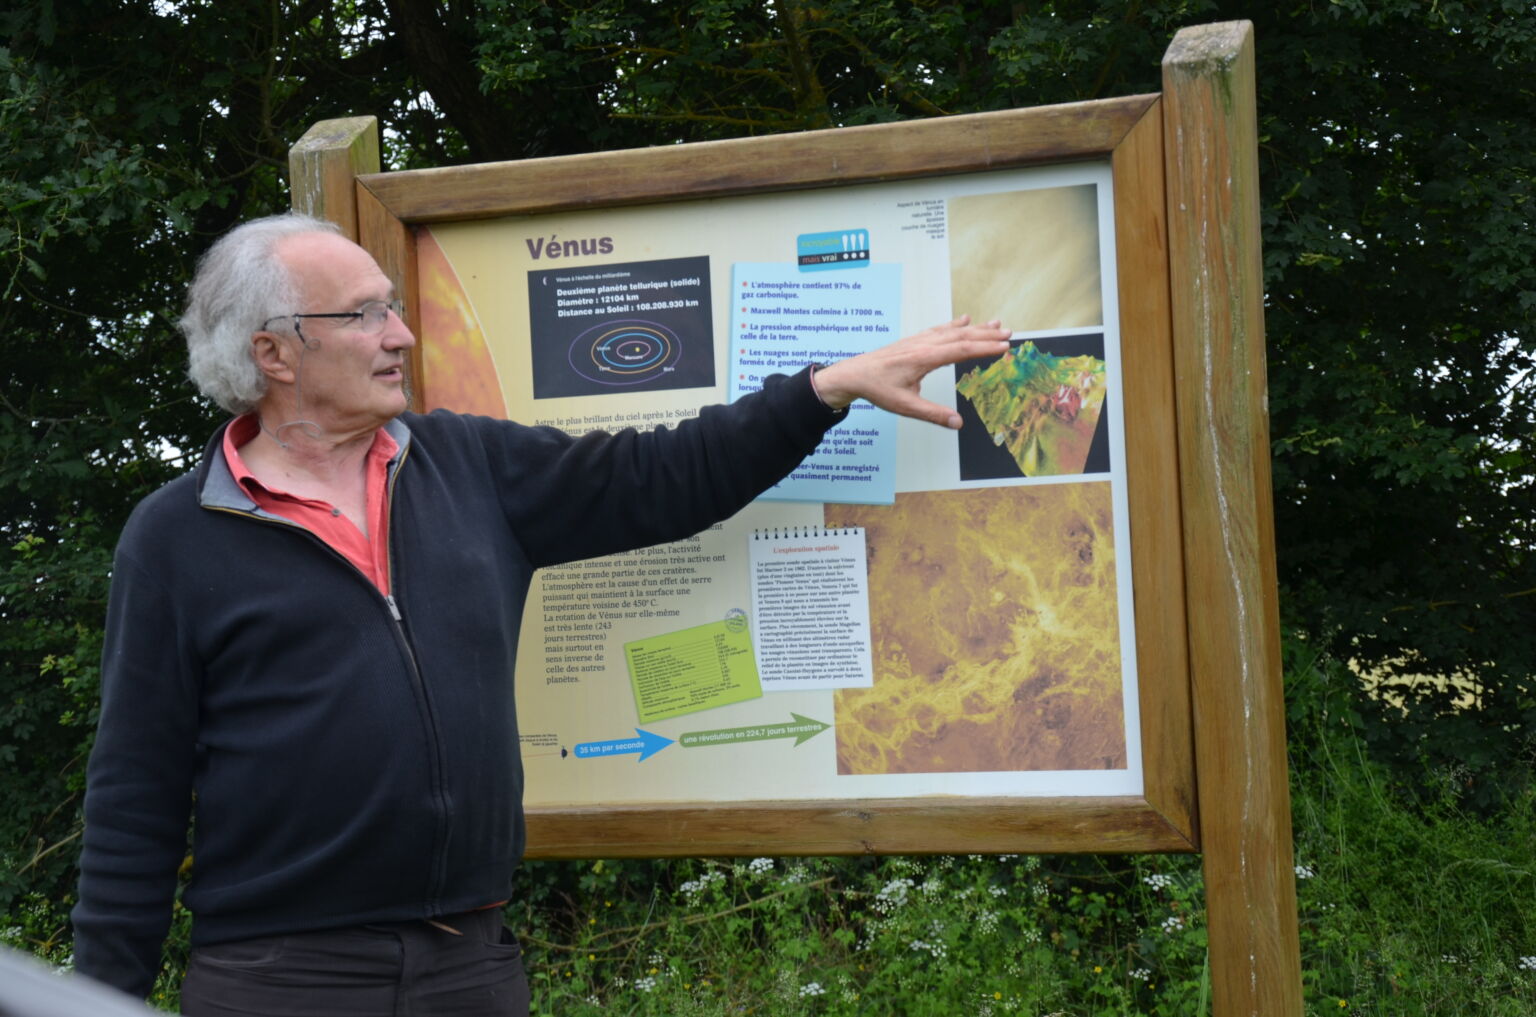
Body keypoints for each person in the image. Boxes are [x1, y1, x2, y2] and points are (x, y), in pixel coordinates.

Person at [70, 212, 1012, 1014]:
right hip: (282, 978)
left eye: (393, 306)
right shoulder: (176, 536)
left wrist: (826, 388)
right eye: (364, 315)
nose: (399, 334)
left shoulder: (470, 467)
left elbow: (665, 477)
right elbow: (134, 796)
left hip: (469, 965)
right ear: (272, 351)